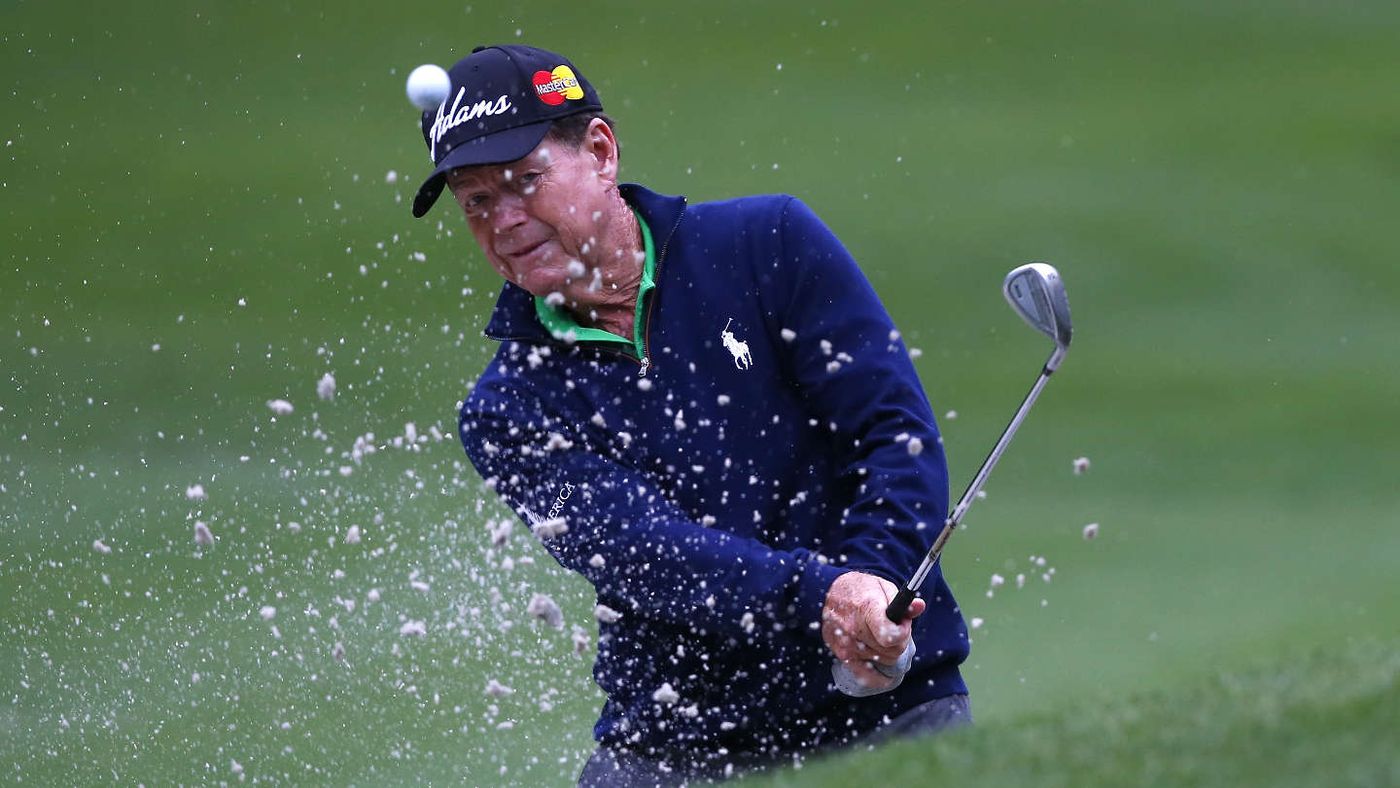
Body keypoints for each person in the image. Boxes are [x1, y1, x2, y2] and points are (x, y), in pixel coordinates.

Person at [410, 45, 972, 785]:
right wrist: (822, 597)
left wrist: (873, 584)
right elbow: (645, 552)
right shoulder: (508, 409)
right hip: (677, 752)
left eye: (525, 180)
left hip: (892, 717)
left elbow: (893, 435)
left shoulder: (767, 244)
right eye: (476, 202)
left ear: (601, 152)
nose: (504, 220)